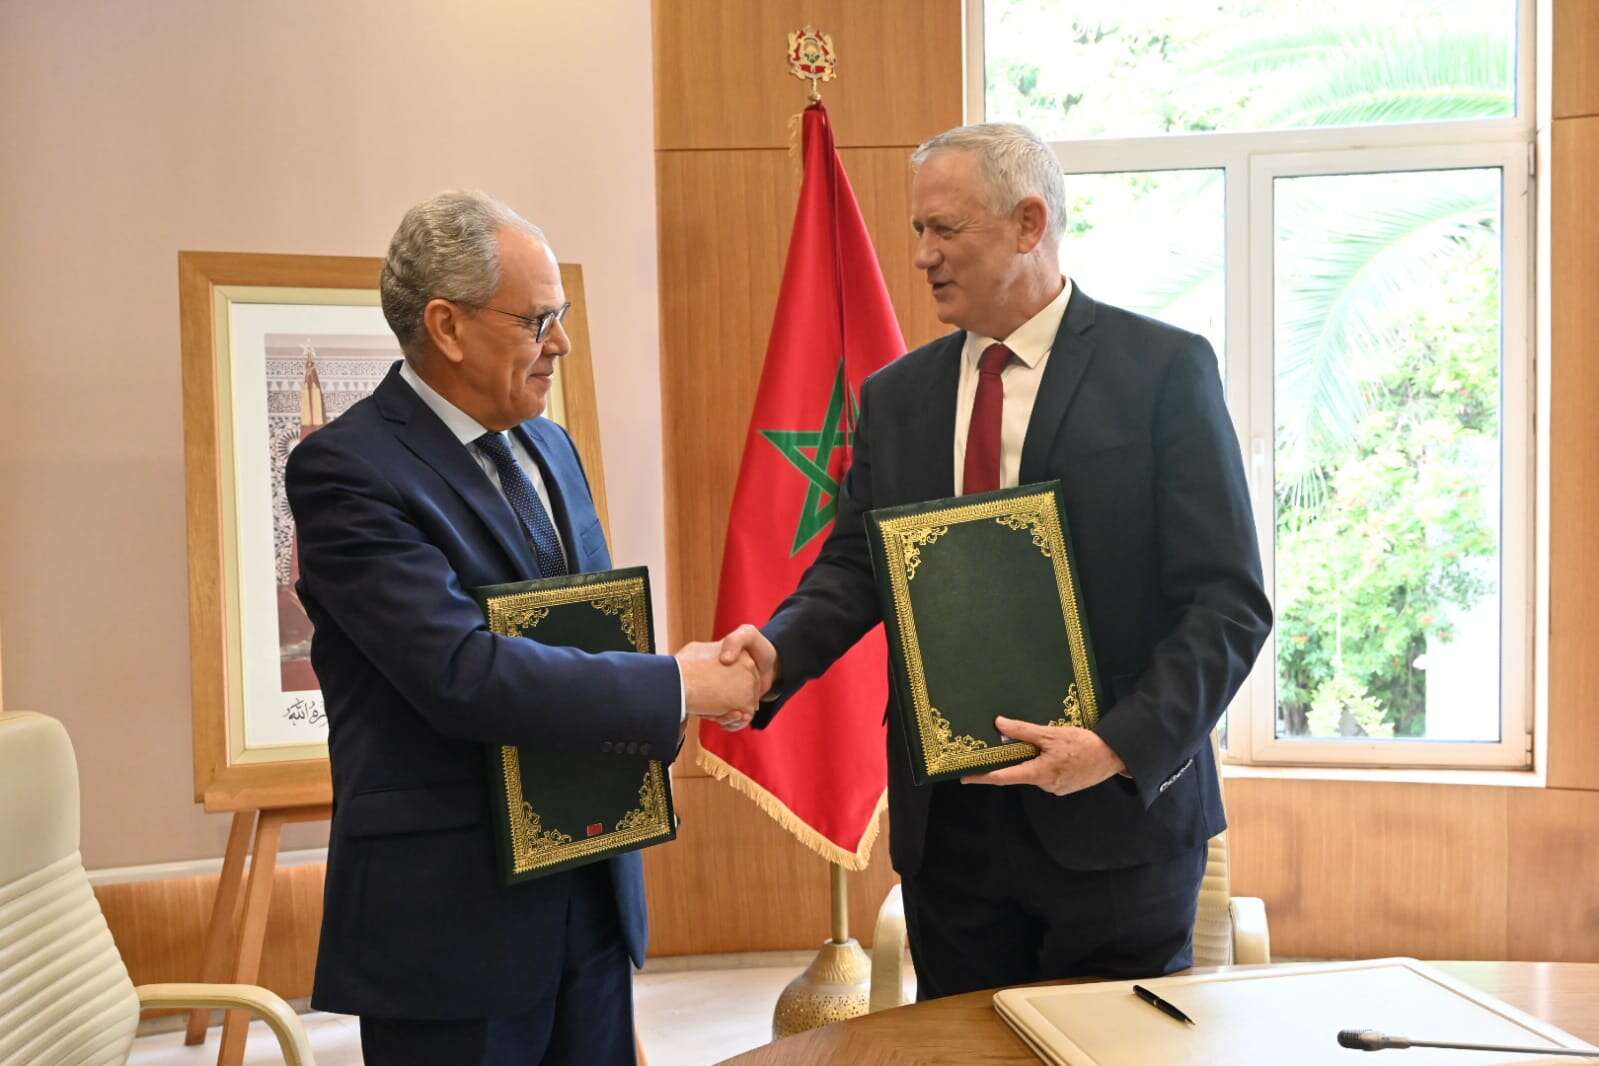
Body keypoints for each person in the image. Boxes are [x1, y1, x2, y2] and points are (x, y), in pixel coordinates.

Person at [717, 123, 1272, 999]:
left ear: (1027, 223)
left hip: (1112, 826)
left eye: (944, 229)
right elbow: (856, 566)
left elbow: (1227, 604)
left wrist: (1114, 747)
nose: (922, 255)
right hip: (952, 835)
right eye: (917, 231)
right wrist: (776, 652)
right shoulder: (897, 396)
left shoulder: (1162, 371)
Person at [286, 190, 757, 1065]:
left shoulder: (550, 447)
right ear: (447, 326)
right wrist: (678, 685)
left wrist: (664, 703)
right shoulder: (346, 470)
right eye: (538, 320)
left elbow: (589, 640)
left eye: (560, 315)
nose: (562, 343)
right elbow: (459, 673)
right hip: (452, 926)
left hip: (590, 885)